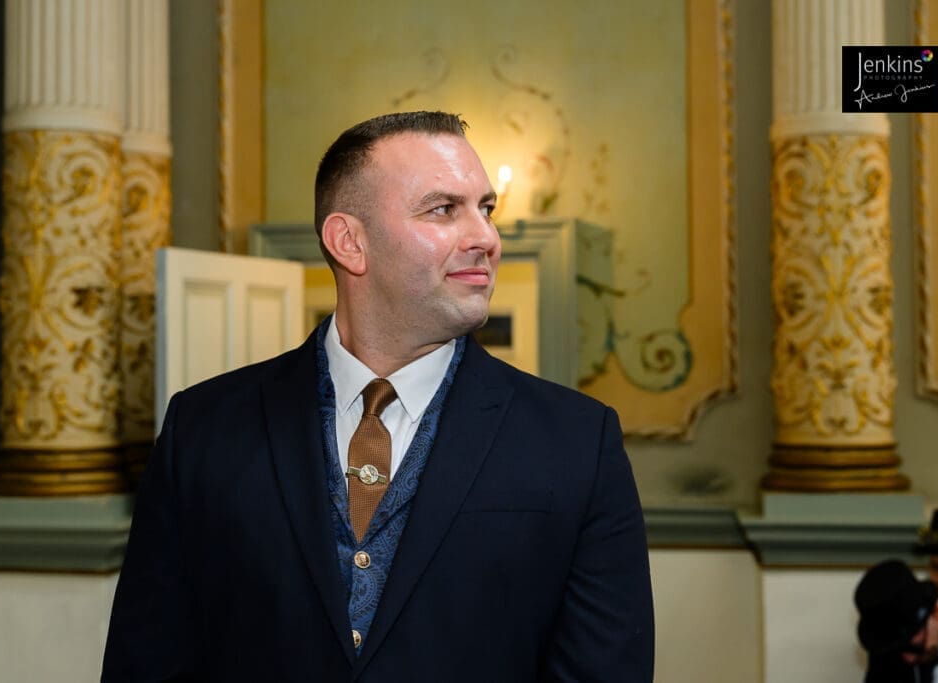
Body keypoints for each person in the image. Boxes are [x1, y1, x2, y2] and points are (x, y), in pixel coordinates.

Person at [102, 111, 654, 682]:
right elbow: (147, 664)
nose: (486, 238)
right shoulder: (204, 429)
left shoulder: (576, 442)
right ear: (349, 242)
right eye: (444, 209)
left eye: (486, 210)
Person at [854, 558, 938, 682]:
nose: (909, 659)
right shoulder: (887, 649)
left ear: (934, 612)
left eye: (912, 646)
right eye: (899, 648)